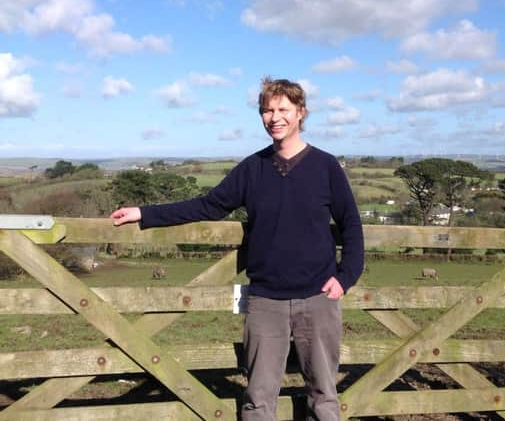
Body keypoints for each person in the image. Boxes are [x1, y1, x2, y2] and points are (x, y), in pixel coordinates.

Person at [110, 77, 364, 420]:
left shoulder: (326, 167)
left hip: (318, 297)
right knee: (258, 400)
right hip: (265, 301)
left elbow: (351, 226)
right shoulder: (252, 168)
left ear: (301, 113)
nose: (274, 117)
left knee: (324, 396)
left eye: (283, 109)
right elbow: (207, 206)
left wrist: (345, 278)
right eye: (267, 110)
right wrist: (145, 214)